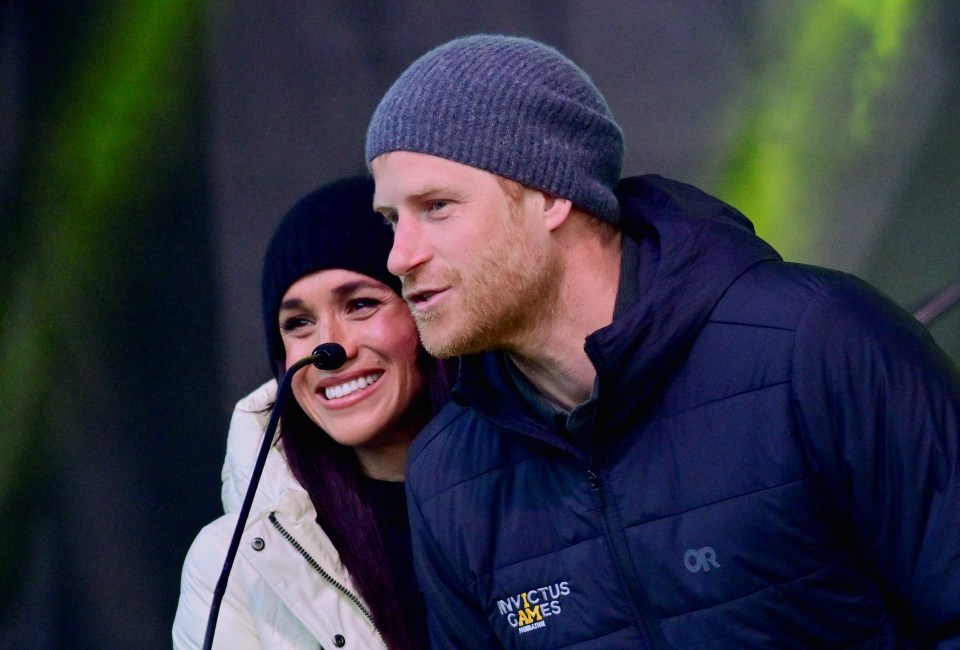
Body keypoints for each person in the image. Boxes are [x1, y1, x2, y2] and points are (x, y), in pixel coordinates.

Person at [364, 34, 960, 648]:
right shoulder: (448, 471)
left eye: (436, 206)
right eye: (391, 219)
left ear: (549, 194)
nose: (399, 255)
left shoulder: (815, 343)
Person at [172, 176, 449, 650]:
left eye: (361, 304)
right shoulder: (231, 563)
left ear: (427, 310)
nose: (329, 347)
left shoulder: (541, 489)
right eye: (298, 323)